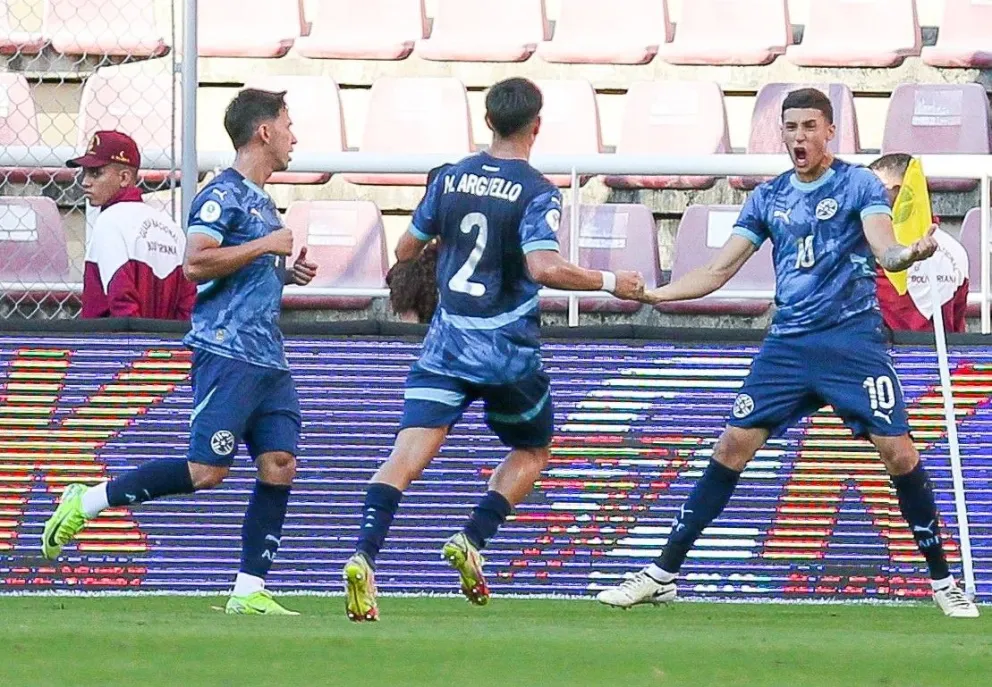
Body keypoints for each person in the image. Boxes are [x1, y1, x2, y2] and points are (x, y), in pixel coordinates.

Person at [595, 88, 979, 618]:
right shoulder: (768, 196)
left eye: (808, 127)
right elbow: (719, 269)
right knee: (732, 446)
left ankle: (942, 581)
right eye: (790, 127)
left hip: (851, 343)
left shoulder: (857, 184)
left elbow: (883, 245)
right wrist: (656, 296)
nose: (798, 138)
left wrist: (908, 253)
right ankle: (662, 574)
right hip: (789, 345)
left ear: (830, 132)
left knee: (900, 454)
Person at [342, 77, 645, 622]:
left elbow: (407, 247)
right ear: (536, 125)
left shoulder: (451, 177)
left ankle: (364, 554)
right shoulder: (536, 191)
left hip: (447, 341)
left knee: (406, 454)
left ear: (487, 122)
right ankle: (472, 537)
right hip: (507, 350)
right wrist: (609, 281)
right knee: (532, 451)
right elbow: (543, 267)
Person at [41, 88, 319, 615]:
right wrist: (265, 247)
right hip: (228, 351)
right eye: (288, 123)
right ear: (263, 131)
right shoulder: (222, 195)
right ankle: (89, 499)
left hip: (268, 356)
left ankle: (248, 590)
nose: (294, 136)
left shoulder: (261, 201)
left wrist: (285, 272)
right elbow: (196, 263)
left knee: (280, 463)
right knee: (205, 471)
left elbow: (240, 272)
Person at [69, 130, 196, 320]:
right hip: (168, 345)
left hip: (119, 346)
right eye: (85, 173)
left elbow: (121, 302)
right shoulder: (171, 228)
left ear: (124, 178)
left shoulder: (109, 222)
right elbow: (188, 306)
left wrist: (136, 346)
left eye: (96, 173)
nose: (85, 182)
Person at [868, 153, 969, 334]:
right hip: (936, 359)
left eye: (874, 189)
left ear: (901, 192)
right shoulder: (956, 250)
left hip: (884, 358)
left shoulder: (867, 251)